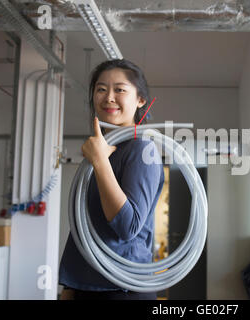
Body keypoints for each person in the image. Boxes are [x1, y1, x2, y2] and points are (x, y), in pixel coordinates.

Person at [59, 59, 164, 300]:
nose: (109, 97)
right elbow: (85, 225)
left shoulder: (141, 150)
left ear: (140, 100)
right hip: (87, 283)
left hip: (121, 288)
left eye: (120, 89)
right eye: (101, 89)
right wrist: (70, 286)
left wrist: (100, 162)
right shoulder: (99, 151)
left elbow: (127, 227)